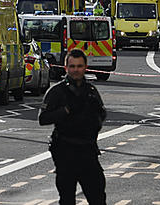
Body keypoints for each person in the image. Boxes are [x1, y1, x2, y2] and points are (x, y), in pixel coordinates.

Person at [39, 48, 108, 205]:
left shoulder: (91, 91)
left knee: (97, 196)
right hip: (66, 152)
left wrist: (94, 117)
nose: (76, 70)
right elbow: (43, 118)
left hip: (88, 151)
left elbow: (102, 115)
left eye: (79, 66)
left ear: (85, 67)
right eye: (72, 66)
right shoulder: (57, 92)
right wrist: (66, 110)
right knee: (67, 198)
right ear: (66, 68)